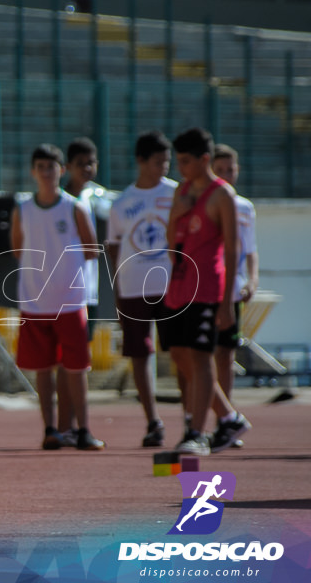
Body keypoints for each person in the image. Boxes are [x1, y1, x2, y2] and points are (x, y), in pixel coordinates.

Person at [10, 144, 105, 452]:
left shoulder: (74, 207)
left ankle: (83, 430)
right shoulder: (22, 209)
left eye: (52, 167)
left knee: (76, 368)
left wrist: (65, 270)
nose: (46, 172)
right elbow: (17, 249)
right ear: (32, 172)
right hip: (35, 301)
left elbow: (91, 249)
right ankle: (50, 430)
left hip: (71, 301)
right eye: (40, 167)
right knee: (43, 368)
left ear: (61, 171)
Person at [163, 128, 249, 456]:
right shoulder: (182, 192)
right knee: (180, 355)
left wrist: (227, 302)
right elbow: (172, 242)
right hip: (179, 285)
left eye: (186, 161)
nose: (180, 168)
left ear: (204, 159)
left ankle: (197, 432)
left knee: (201, 357)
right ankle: (228, 416)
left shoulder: (221, 195)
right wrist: (177, 212)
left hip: (208, 288)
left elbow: (231, 250)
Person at [106, 131, 177, 447]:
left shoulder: (178, 194)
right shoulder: (122, 203)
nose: (163, 167)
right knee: (140, 354)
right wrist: (117, 288)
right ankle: (153, 420)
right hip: (133, 286)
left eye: (167, 161)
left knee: (182, 353)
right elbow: (113, 248)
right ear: (140, 161)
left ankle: (192, 420)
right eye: (158, 161)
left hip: (173, 285)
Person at [56, 136, 109, 447]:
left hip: (88, 292)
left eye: (91, 163)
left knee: (77, 362)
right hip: (65, 293)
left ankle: (75, 426)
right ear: (67, 168)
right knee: (65, 362)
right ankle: (66, 425)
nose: (87, 169)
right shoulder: (62, 202)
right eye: (80, 164)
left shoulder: (99, 200)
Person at [210, 144, 258, 450]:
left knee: (225, 357)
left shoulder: (244, 207)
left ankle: (223, 425)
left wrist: (252, 279)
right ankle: (197, 421)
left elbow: (250, 249)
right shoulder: (204, 202)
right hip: (206, 288)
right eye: (221, 169)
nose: (227, 174)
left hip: (232, 289)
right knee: (196, 357)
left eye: (232, 169)